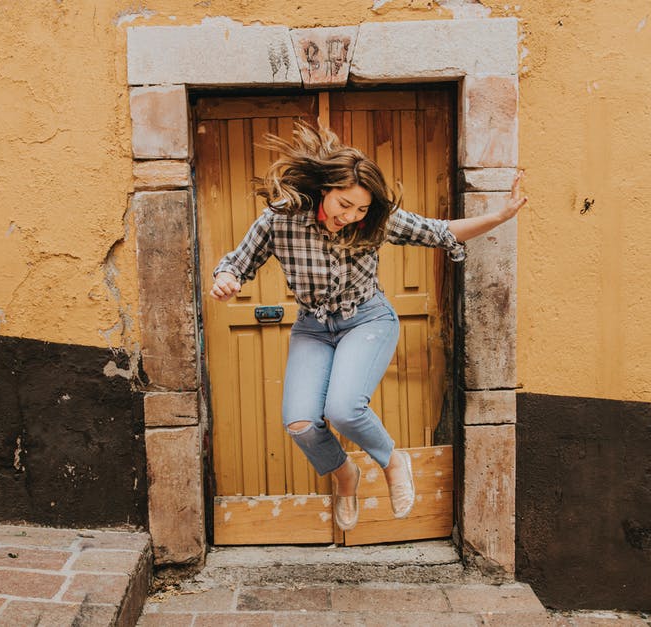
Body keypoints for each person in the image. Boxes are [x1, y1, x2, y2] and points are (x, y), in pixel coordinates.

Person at [210, 123, 526, 532]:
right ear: (325, 188)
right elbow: (237, 261)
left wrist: (500, 216)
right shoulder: (280, 219)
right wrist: (226, 279)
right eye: (345, 205)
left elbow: (441, 231)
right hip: (313, 328)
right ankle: (345, 476)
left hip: (368, 319)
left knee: (342, 409)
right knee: (301, 423)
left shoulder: (375, 221)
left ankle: (393, 460)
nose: (351, 216)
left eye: (360, 209)